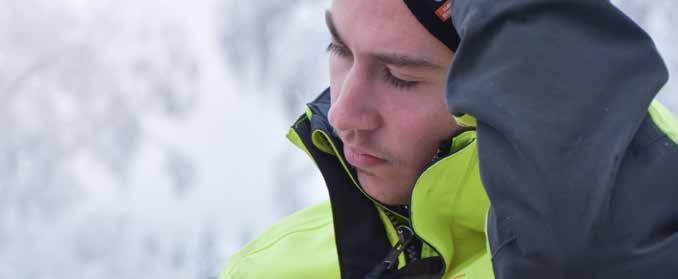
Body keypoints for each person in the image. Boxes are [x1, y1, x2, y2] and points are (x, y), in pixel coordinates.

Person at [221, 0, 678, 278]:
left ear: (510, 87)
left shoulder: (643, 236)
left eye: (399, 77)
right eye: (339, 49)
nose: (342, 113)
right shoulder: (266, 270)